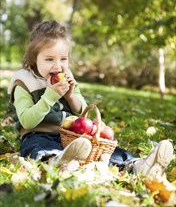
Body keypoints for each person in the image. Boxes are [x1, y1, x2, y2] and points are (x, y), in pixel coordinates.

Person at [8, 20, 174, 177]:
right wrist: (50, 96)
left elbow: (83, 111)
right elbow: (27, 122)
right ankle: (57, 161)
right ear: (34, 59)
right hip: (38, 134)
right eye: (49, 59)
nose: (58, 66)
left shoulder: (66, 77)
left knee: (99, 148)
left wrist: (71, 96)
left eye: (63, 59)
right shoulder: (24, 82)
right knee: (38, 147)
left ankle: (138, 165)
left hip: (70, 135)